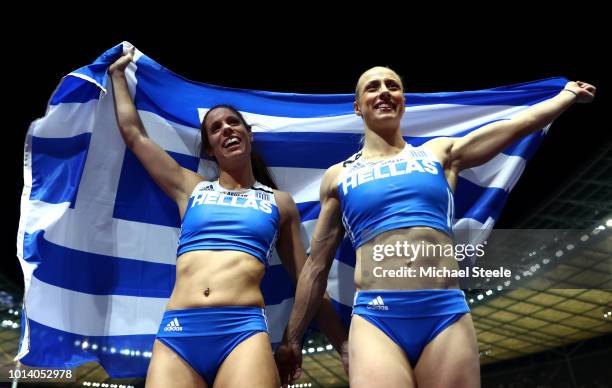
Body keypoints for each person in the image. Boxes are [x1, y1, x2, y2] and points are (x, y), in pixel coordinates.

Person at [277, 66, 596, 387]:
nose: (384, 91)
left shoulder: (438, 153)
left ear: (403, 101)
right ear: (358, 106)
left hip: (444, 313)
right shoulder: (338, 176)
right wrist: (292, 338)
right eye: (373, 87)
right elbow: (316, 267)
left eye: (393, 86)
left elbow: (515, 127)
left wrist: (567, 96)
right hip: (377, 318)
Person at [108, 46, 348, 388]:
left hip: (242, 333)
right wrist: (118, 75)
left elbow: (309, 279)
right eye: (216, 128)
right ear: (210, 148)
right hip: (179, 330)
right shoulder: (189, 188)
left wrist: (343, 343)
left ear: (248, 134)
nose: (226, 130)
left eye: (233, 123)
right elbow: (134, 135)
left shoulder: (279, 203)